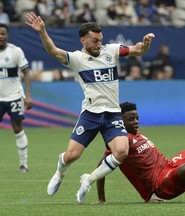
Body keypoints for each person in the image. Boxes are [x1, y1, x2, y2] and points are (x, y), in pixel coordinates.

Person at [25, 12, 155, 203]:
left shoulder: (111, 51)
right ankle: (59, 174)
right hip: (91, 114)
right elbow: (53, 51)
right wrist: (43, 31)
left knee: (122, 152)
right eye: (94, 40)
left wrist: (146, 43)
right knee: (71, 156)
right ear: (83, 40)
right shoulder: (77, 59)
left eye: (100, 40)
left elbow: (138, 50)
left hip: (112, 114)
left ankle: (89, 179)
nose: (98, 44)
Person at [0, 23, 32, 173]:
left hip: (14, 97)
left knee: (17, 128)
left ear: (7, 35)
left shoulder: (15, 51)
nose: (1, 36)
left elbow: (26, 73)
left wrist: (28, 96)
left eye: (3, 33)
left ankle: (23, 164)